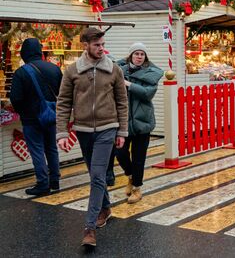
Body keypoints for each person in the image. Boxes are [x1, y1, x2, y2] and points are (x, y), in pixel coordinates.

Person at [56, 28, 128, 247]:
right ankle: (105, 208)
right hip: (83, 130)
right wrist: (61, 131)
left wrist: (122, 131)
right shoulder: (72, 71)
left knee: (97, 174)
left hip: (108, 128)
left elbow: (122, 102)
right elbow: (63, 103)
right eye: (96, 44)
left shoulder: (113, 70)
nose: (101, 48)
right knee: (95, 174)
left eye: (102, 44)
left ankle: (89, 228)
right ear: (85, 45)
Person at [9, 38, 63, 196]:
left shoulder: (21, 72)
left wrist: (23, 113)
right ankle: (55, 181)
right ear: (39, 51)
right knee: (51, 148)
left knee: (37, 150)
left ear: (24, 53)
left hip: (31, 119)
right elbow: (62, 92)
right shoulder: (54, 69)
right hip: (51, 115)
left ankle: (42, 183)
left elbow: (16, 98)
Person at [116, 43, 163, 204]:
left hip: (142, 121)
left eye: (142, 54)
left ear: (145, 57)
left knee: (138, 157)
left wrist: (129, 85)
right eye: (136, 54)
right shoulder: (119, 71)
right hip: (123, 121)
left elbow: (147, 94)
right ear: (130, 56)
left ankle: (137, 188)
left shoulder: (151, 74)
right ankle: (130, 176)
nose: (139, 57)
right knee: (120, 153)